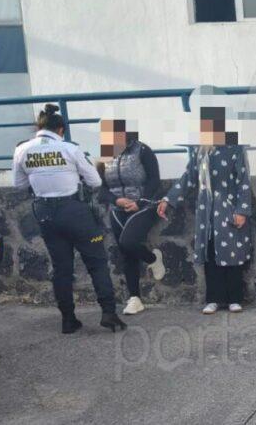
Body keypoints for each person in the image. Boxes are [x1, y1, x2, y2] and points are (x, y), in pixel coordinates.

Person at [12, 104, 126, 334]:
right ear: (61, 130)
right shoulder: (69, 149)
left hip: (45, 213)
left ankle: (68, 320)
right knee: (96, 263)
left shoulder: (22, 150)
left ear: (39, 128)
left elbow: (19, 184)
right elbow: (95, 181)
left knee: (61, 268)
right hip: (74, 211)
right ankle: (109, 314)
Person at [157, 106, 253, 315]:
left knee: (231, 252)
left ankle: (235, 298)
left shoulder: (235, 148)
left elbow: (244, 181)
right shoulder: (200, 151)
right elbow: (188, 178)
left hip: (228, 207)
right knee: (210, 253)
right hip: (206, 211)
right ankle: (214, 299)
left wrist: (242, 210)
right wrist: (168, 199)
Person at [97, 119, 165, 316]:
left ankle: (153, 258)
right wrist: (116, 200)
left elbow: (154, 181)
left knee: (128, 242)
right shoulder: (105, 155)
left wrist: (140, 202)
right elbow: (101, 189)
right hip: (118, 209)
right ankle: (135, 299)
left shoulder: (143, 151)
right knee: (126, 252)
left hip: (144, 206)